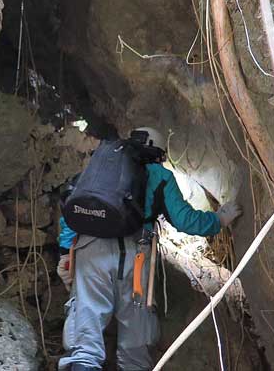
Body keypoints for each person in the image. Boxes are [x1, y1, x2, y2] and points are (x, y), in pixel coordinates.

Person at [56, 127, 242, 371]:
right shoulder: (160, 175)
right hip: (136, 258)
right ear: (159, 151)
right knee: (135, 337)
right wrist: (217, 220)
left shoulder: (101, 167)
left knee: (85, 339)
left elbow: (72, 212)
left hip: (91, 253)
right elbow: (185, 220)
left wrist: (64, 255)